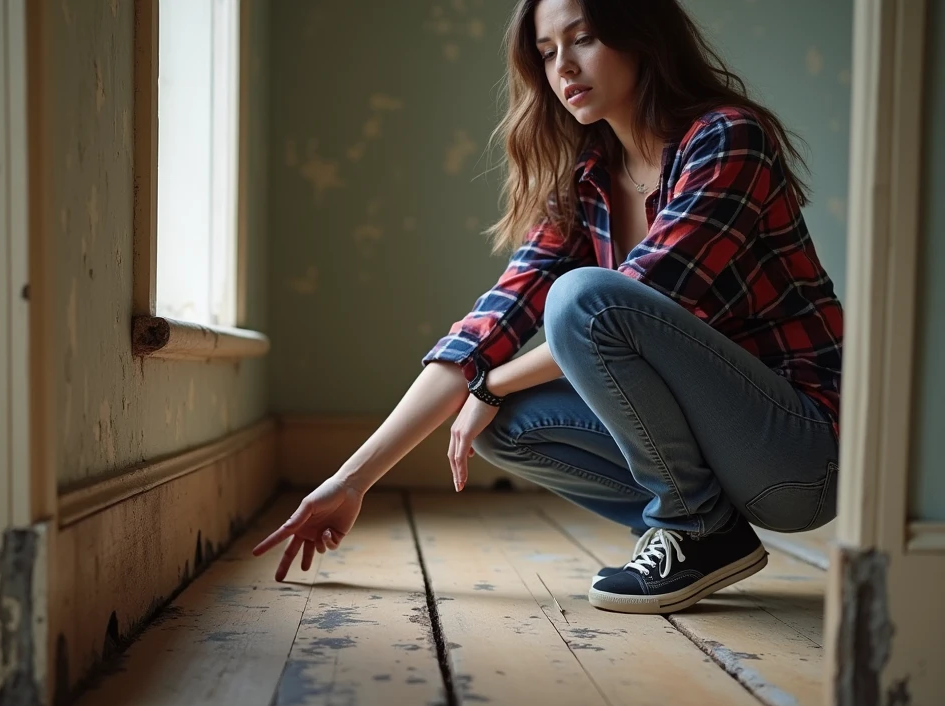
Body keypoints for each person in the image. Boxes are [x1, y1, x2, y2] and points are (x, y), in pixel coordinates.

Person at [252, 0, 844, 615]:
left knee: (575, 303)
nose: (564, 68)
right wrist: (352, 480)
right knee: (504, 426)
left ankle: (694, 526)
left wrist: (490, 385)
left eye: (583, 39)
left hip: (800, 452)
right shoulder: (586, 179)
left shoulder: (727, 138)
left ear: (641, 37)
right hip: (720, 451)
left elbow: (639, 296)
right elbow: (489, 326)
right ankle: (703, 529)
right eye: (546, 51)